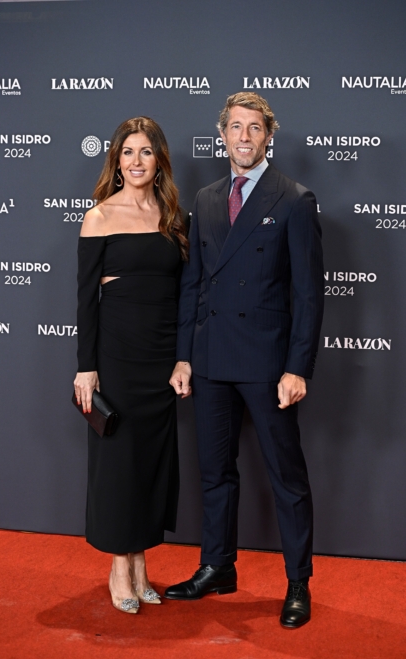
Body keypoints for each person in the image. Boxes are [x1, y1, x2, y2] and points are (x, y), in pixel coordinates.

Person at [165, 92, 324, 629]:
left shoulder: (294, 199)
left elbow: (308, 294)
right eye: (235, 127)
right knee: (215, 473)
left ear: (267, 135)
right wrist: (184, 356)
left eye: (254, 128)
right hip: (209, 360)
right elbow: (192, 286)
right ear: (223, 135)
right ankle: (217, 566)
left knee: (286, 476)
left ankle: (297, 582)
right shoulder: (207, 198)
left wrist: (297, 367)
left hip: (268, 361)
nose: (244, 137)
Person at [73, 117, 189, 614]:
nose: (136, 161)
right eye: (127, 153)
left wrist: (182, 357)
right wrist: (86, 367)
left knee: (151, 462)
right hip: (117, 357)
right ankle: (118, 567)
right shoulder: (99, 216)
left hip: (161, 358)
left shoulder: (171, 217)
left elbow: (186, 294)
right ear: (115, 161)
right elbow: (86, 302)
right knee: (119, 463)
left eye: (145, 152)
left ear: (159, 159)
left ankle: (141, 563)